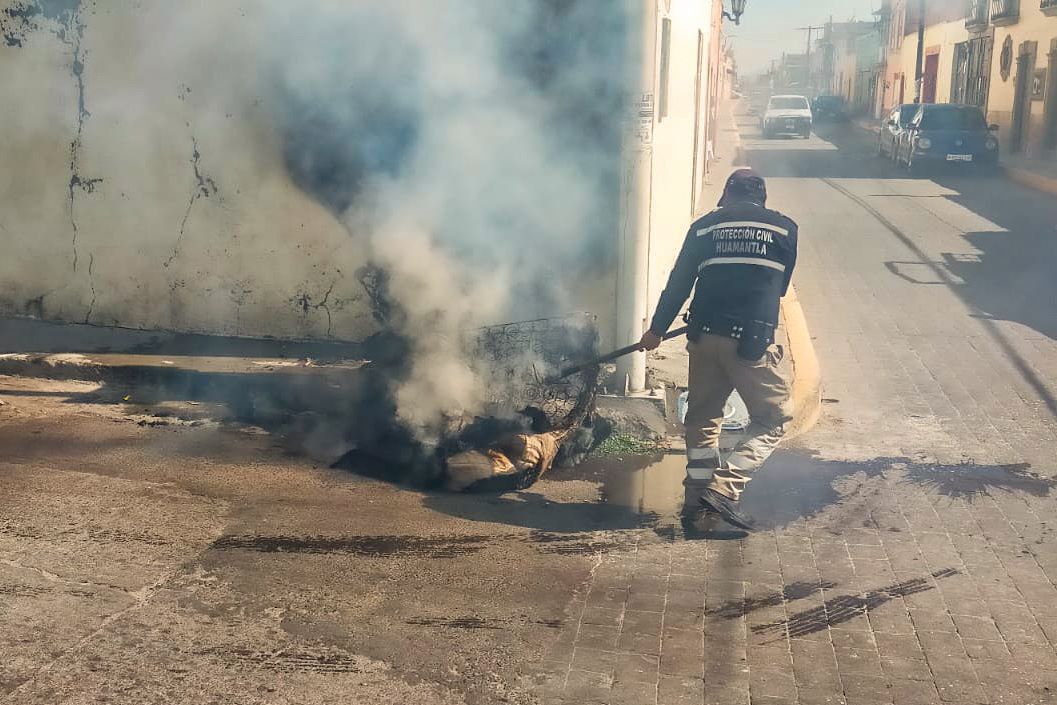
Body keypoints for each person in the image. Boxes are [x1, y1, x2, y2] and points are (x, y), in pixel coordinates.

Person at [638, 168, 797, 531]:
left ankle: (696, 500)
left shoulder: (704, 227)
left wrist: (656, 331)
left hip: (704, 336)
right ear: (763, 198)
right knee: (773, 419)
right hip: (752, 343)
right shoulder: (786, 229)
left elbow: (678, 282)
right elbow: (781, 285)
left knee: (703, 419)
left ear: (726, 194)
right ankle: (724, 489)